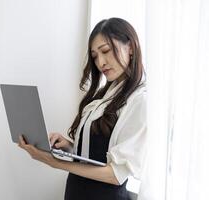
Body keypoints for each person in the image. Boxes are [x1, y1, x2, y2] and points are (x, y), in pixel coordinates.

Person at [18, 17, 147, 200]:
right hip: (77, 192)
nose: (101, 62)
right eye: (95, 56)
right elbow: (97, 155)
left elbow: (116, 175)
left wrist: (53, 162)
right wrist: (70, 147)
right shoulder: (105, 95)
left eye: (106, 51)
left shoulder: (140, 100)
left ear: (131, 48)